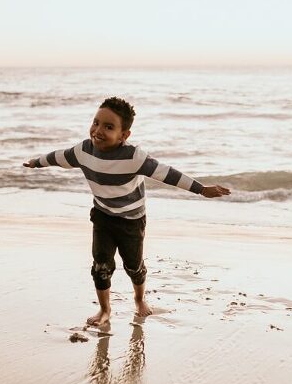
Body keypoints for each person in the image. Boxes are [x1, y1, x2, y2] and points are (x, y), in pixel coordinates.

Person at [23, 97, 230, 326]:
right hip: (102, 215)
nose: (98, 130)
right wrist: (36, 162)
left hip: (132, 220)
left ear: (124, 135)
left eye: (109, 127)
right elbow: (58, 157)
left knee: (134, 266)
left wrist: (201, 189)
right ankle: (105, 310)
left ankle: (139, 299)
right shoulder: (83, 151)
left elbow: (168, 174)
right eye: (96, 122)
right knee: (101, 265)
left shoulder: (134, 157)